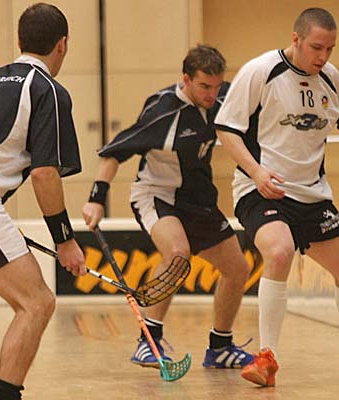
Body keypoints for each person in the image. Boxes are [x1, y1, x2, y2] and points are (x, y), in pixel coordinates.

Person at [215, 7, 339, 387]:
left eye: (330, 49)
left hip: (312, 195)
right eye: (316, 48)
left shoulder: (330, 77)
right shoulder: (261, 72)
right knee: (279, 252)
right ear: (296, 39)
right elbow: (226, 129)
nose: (323, 56)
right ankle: (266, 357)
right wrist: (256, 172)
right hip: (262, 189)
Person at [82, 44, 254, 370]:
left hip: (199, 201)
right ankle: (149, 343)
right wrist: (96, 198)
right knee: (177, 254)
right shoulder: (162, 111)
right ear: (186, 79)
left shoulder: (223, 97)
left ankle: (220, 348)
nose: (212, 94)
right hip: (156, 195)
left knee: (238, 269)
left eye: (217, 86)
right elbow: (114, 152)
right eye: (204, 86)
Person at [0, 3, 86, 399]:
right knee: (36, 302)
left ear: (19, 40)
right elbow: (44, 174)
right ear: (62, 45)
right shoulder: (47, 90)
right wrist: (64, 239)